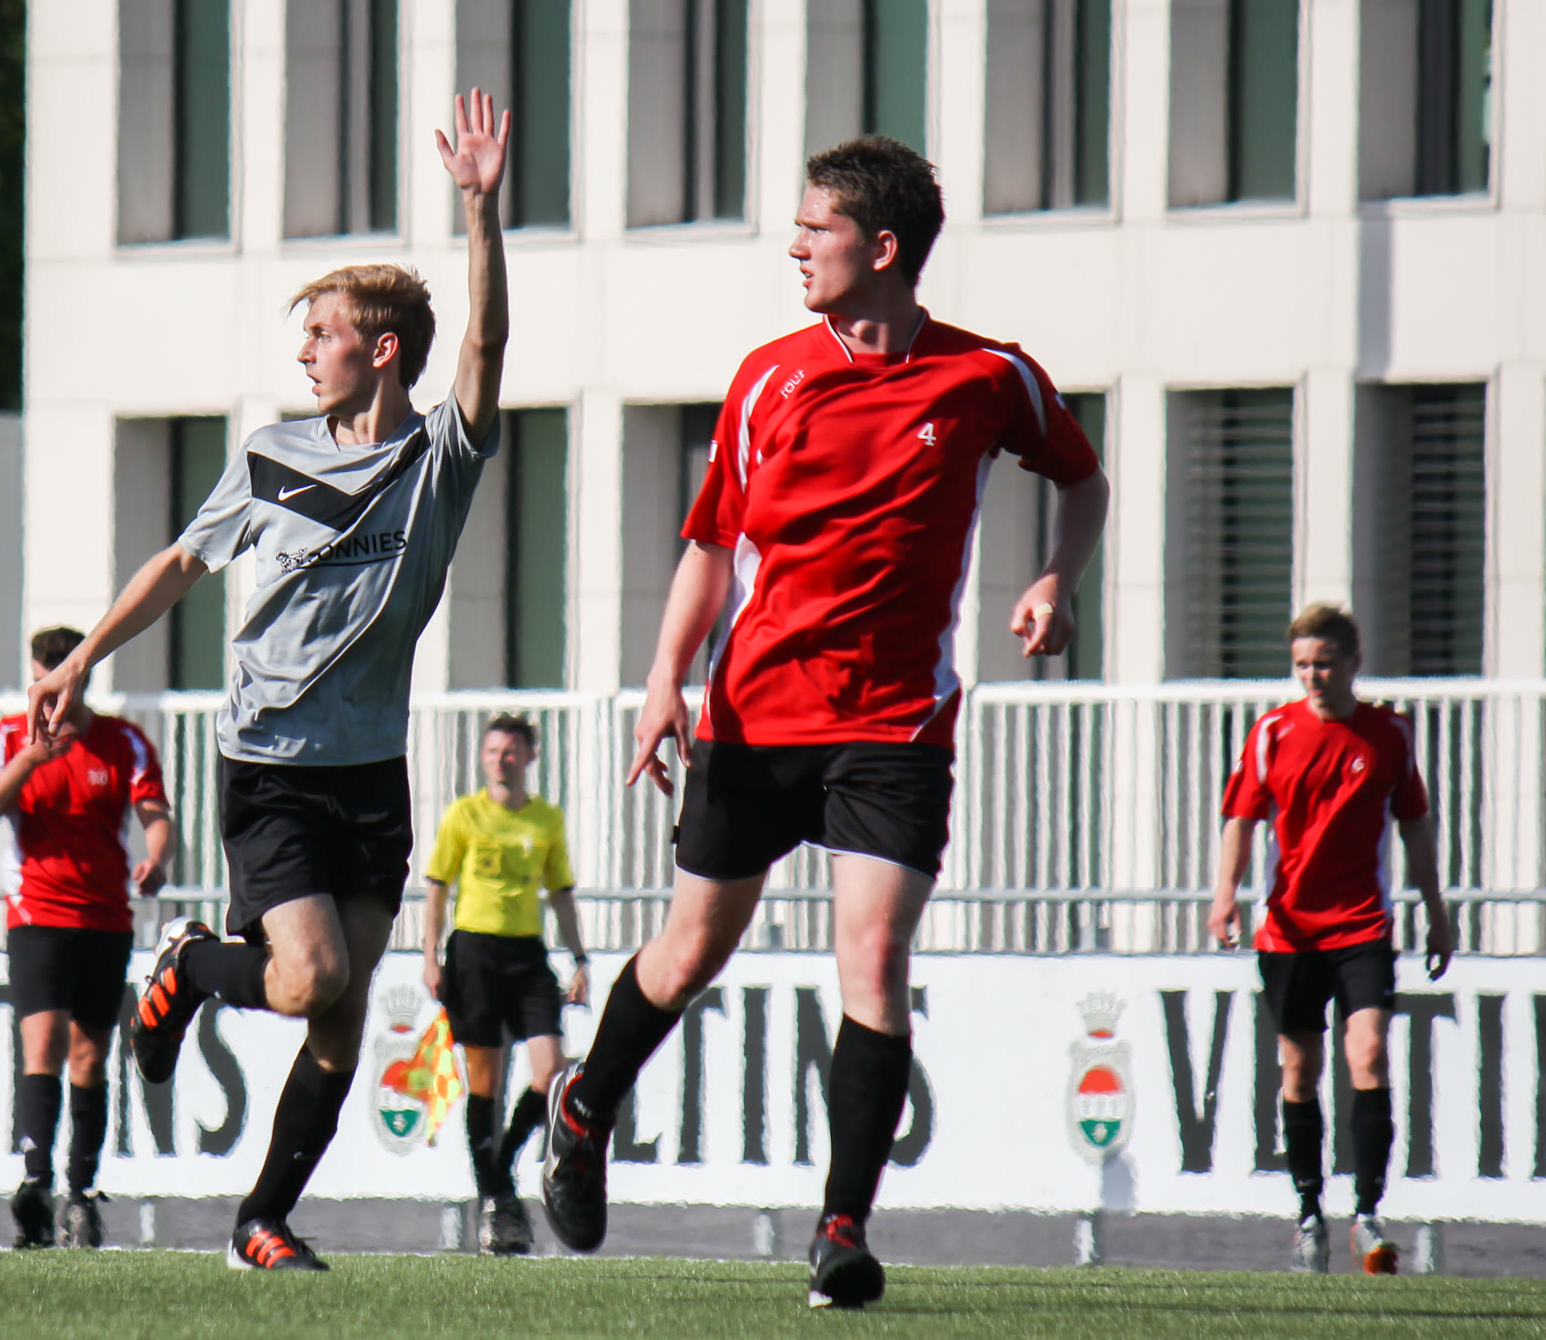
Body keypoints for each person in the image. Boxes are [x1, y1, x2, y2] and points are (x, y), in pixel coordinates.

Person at [535, 135, 1109, 1309]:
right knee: (688, 953)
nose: (793, 247)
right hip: (753, 718)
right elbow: (711, 544)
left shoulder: (987, 378)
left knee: (875, 963)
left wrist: (1058, 576)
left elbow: (1081, 477)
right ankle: (583, 1107)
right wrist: (663, 681)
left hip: (895, 726)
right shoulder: (767, 378)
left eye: (815, 228)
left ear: (881, 247)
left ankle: (840, 1230)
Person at [26, 90, 512, 1273]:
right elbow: (181, 563)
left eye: (322, 334)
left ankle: (262, 1219)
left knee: (339, 1023)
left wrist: (478, 212)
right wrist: (85, 656)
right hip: (271, 766)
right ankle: (192, 964)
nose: (303, 352)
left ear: (379, 350)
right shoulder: (268, 455)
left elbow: (485, 350)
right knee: (308, 981)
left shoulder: (435, 459)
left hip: (370, 775)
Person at [1210, 603, 1453, 1275]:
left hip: (1362, 925)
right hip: (1289, 930)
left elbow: (1415, 823)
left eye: (1324, 663)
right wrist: (1224, 893)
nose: (1313, 676)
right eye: (1302, 665)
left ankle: (1368, 1213)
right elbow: (1241, 818)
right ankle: (1309, 1214)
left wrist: (1436, 909)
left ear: (1352, 662)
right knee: (1299, 1070)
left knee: (1368, 1052)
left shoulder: (1388, 734)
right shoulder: (1272, 733)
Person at [0, 626, 174, 1249]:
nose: (53, 695)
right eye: (43, 681)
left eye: (64, 682)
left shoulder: (121, 741)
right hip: (36, 913)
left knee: (89, 1055)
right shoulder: (11, 738)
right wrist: (31, 759)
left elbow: (155, 813)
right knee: (44, 1042)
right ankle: (36, 1185)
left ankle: (81, 1195)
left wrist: (158, 857)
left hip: (105, 917)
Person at [421, 714, 590, 1255]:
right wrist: (430, 956)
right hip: (474, 953)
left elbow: (560, 892)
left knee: (551, 1071)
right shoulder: (464, 815)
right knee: (485, 1080)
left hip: (527, 955)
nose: (501, 760)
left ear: (529, 757)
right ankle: (496, 1198)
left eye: (511, 751)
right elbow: (437, 887)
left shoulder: (546, 819)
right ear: (483, 757)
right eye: (493, 751)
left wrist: (580, 958)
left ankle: (504, 1163)